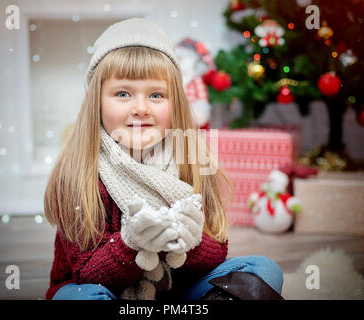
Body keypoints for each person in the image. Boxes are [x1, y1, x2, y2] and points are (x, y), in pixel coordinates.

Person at [44, 18, 284, 300]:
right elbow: (86, 272)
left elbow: (217, 251)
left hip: (178, 291)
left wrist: (189, 242)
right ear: (96, 101)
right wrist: (132, 243)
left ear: (176, 103)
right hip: (102, 290)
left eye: (156, 95)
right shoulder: (80, 173)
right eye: (123, 94)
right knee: (76, 298)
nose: (141, 108)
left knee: (263, 269)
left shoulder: (190, 161)